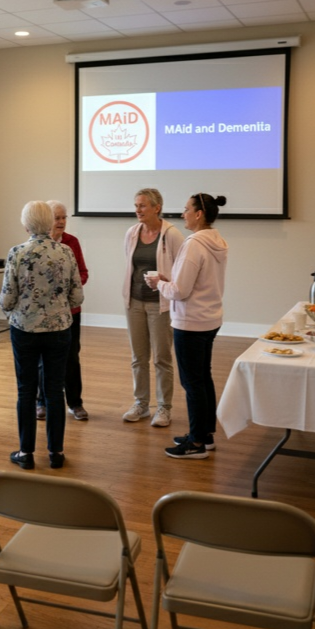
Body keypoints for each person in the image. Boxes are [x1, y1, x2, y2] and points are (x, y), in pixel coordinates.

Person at [0, 201, 84, 470]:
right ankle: (56, 453)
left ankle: (26, 453)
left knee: (26, 391)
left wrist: (10, 306)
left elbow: (8, 297)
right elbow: (77, 295)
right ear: (50, 224)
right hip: (60, 329)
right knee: (54, 391)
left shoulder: (17, 253)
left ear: (25, 225)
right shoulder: (66, 252)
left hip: (24, 329)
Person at [146, 193, 229, 460]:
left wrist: (158, 283)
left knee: (192, 382)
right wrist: (168, 278)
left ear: (198, 214)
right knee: (203, 378)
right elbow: (196, 282)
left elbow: (179, 291)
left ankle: (196, 444)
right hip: (209, 318)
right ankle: (205, 435)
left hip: (190, 322)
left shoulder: (194, 244)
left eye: (186, 210)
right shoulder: (217, 241)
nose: (182, 214)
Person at [122, 188, 184, 428]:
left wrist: (164, 279)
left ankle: (164, 408)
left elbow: (181, 271)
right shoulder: (131, 233)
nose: (138, 210)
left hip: (161, 305)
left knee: (161, 357)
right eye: (136, 205)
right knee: (138, 357)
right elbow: (129, 265)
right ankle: (141, 404)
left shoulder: (172, 235)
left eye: (143, 205)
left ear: (157, 208)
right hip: (134, 302)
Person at [35, 200, 89, 421]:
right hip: (43, 313)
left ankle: (75, 403)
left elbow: (83, 273)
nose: (61, 222)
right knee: (42, 359)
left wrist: (68, 290)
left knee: (71, 358)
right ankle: (42, 401)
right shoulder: (37, 243)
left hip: (70, 311)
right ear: (47, 220)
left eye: (64, 217)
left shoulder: (71, 243)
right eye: (57, 218)